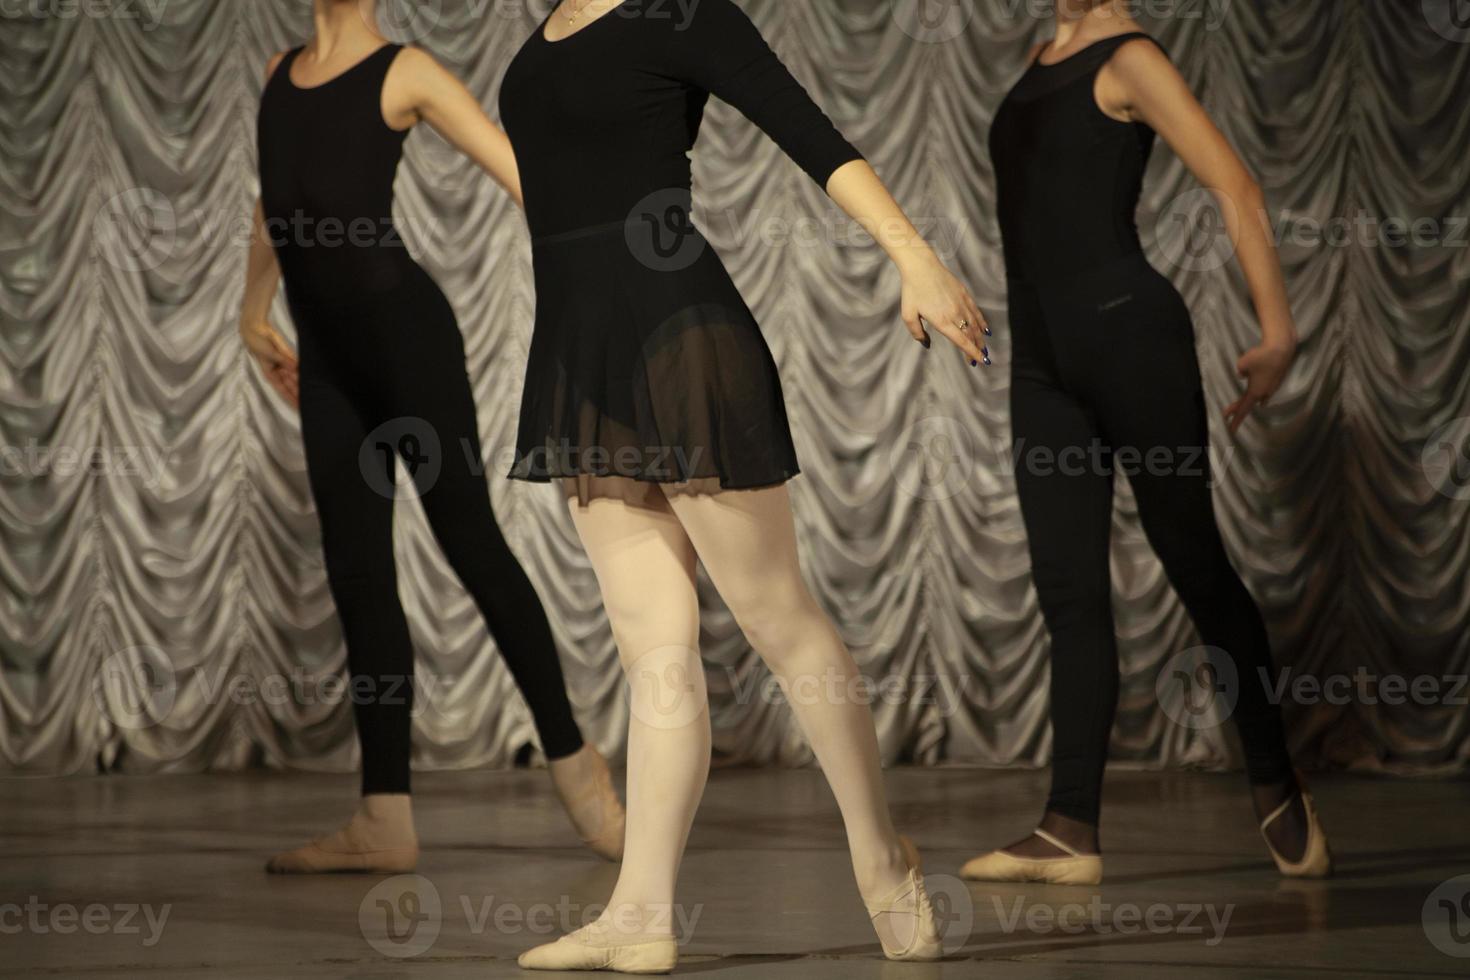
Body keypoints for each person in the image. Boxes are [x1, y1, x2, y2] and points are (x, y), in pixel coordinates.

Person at [503, 0, 992, 972]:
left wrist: (914, 253)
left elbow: (809, 130)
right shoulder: (542, 31)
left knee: (778, 614)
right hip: (583, 355)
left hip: (684, 337)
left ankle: (882, 858)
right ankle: (641, 910)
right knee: (652, 647)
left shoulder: (678, 14)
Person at [240, 0, 624, 873]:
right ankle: (383, 817)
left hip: (408, 344)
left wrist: (614, 263)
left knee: (471, 545)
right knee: (358, 571)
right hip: (330, 364)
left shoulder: (404, 72)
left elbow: (525, 175)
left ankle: (576, 766)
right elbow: (277, 201)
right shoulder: (276, 74)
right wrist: (251, 307)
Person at [961, 0, 1331, 887]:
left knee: (1195, 565)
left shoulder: (1130, 59)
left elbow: (1235, 184)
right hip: (1043, 366)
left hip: (1134, 345)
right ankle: (1068, 828)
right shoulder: (1040, 54)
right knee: (1069, 592)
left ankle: (1276, 781)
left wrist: (1278, 332)